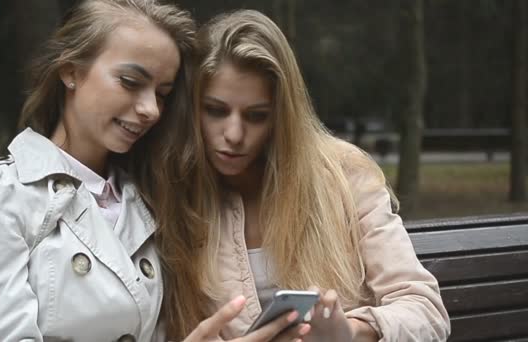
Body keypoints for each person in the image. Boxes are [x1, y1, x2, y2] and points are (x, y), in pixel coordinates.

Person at [0, 1, 308, 341]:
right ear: (71, 71)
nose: (151, 110)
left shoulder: (150, 201)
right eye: (131, 82)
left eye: (162, 93)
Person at [156, 9, 451, 341]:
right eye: (216, 111)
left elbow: (425, 310)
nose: (235, 134)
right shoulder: (173, 194)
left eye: (256, 116)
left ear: (282, 115)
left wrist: (351, 332)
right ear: (191, 107)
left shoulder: (345, 174)